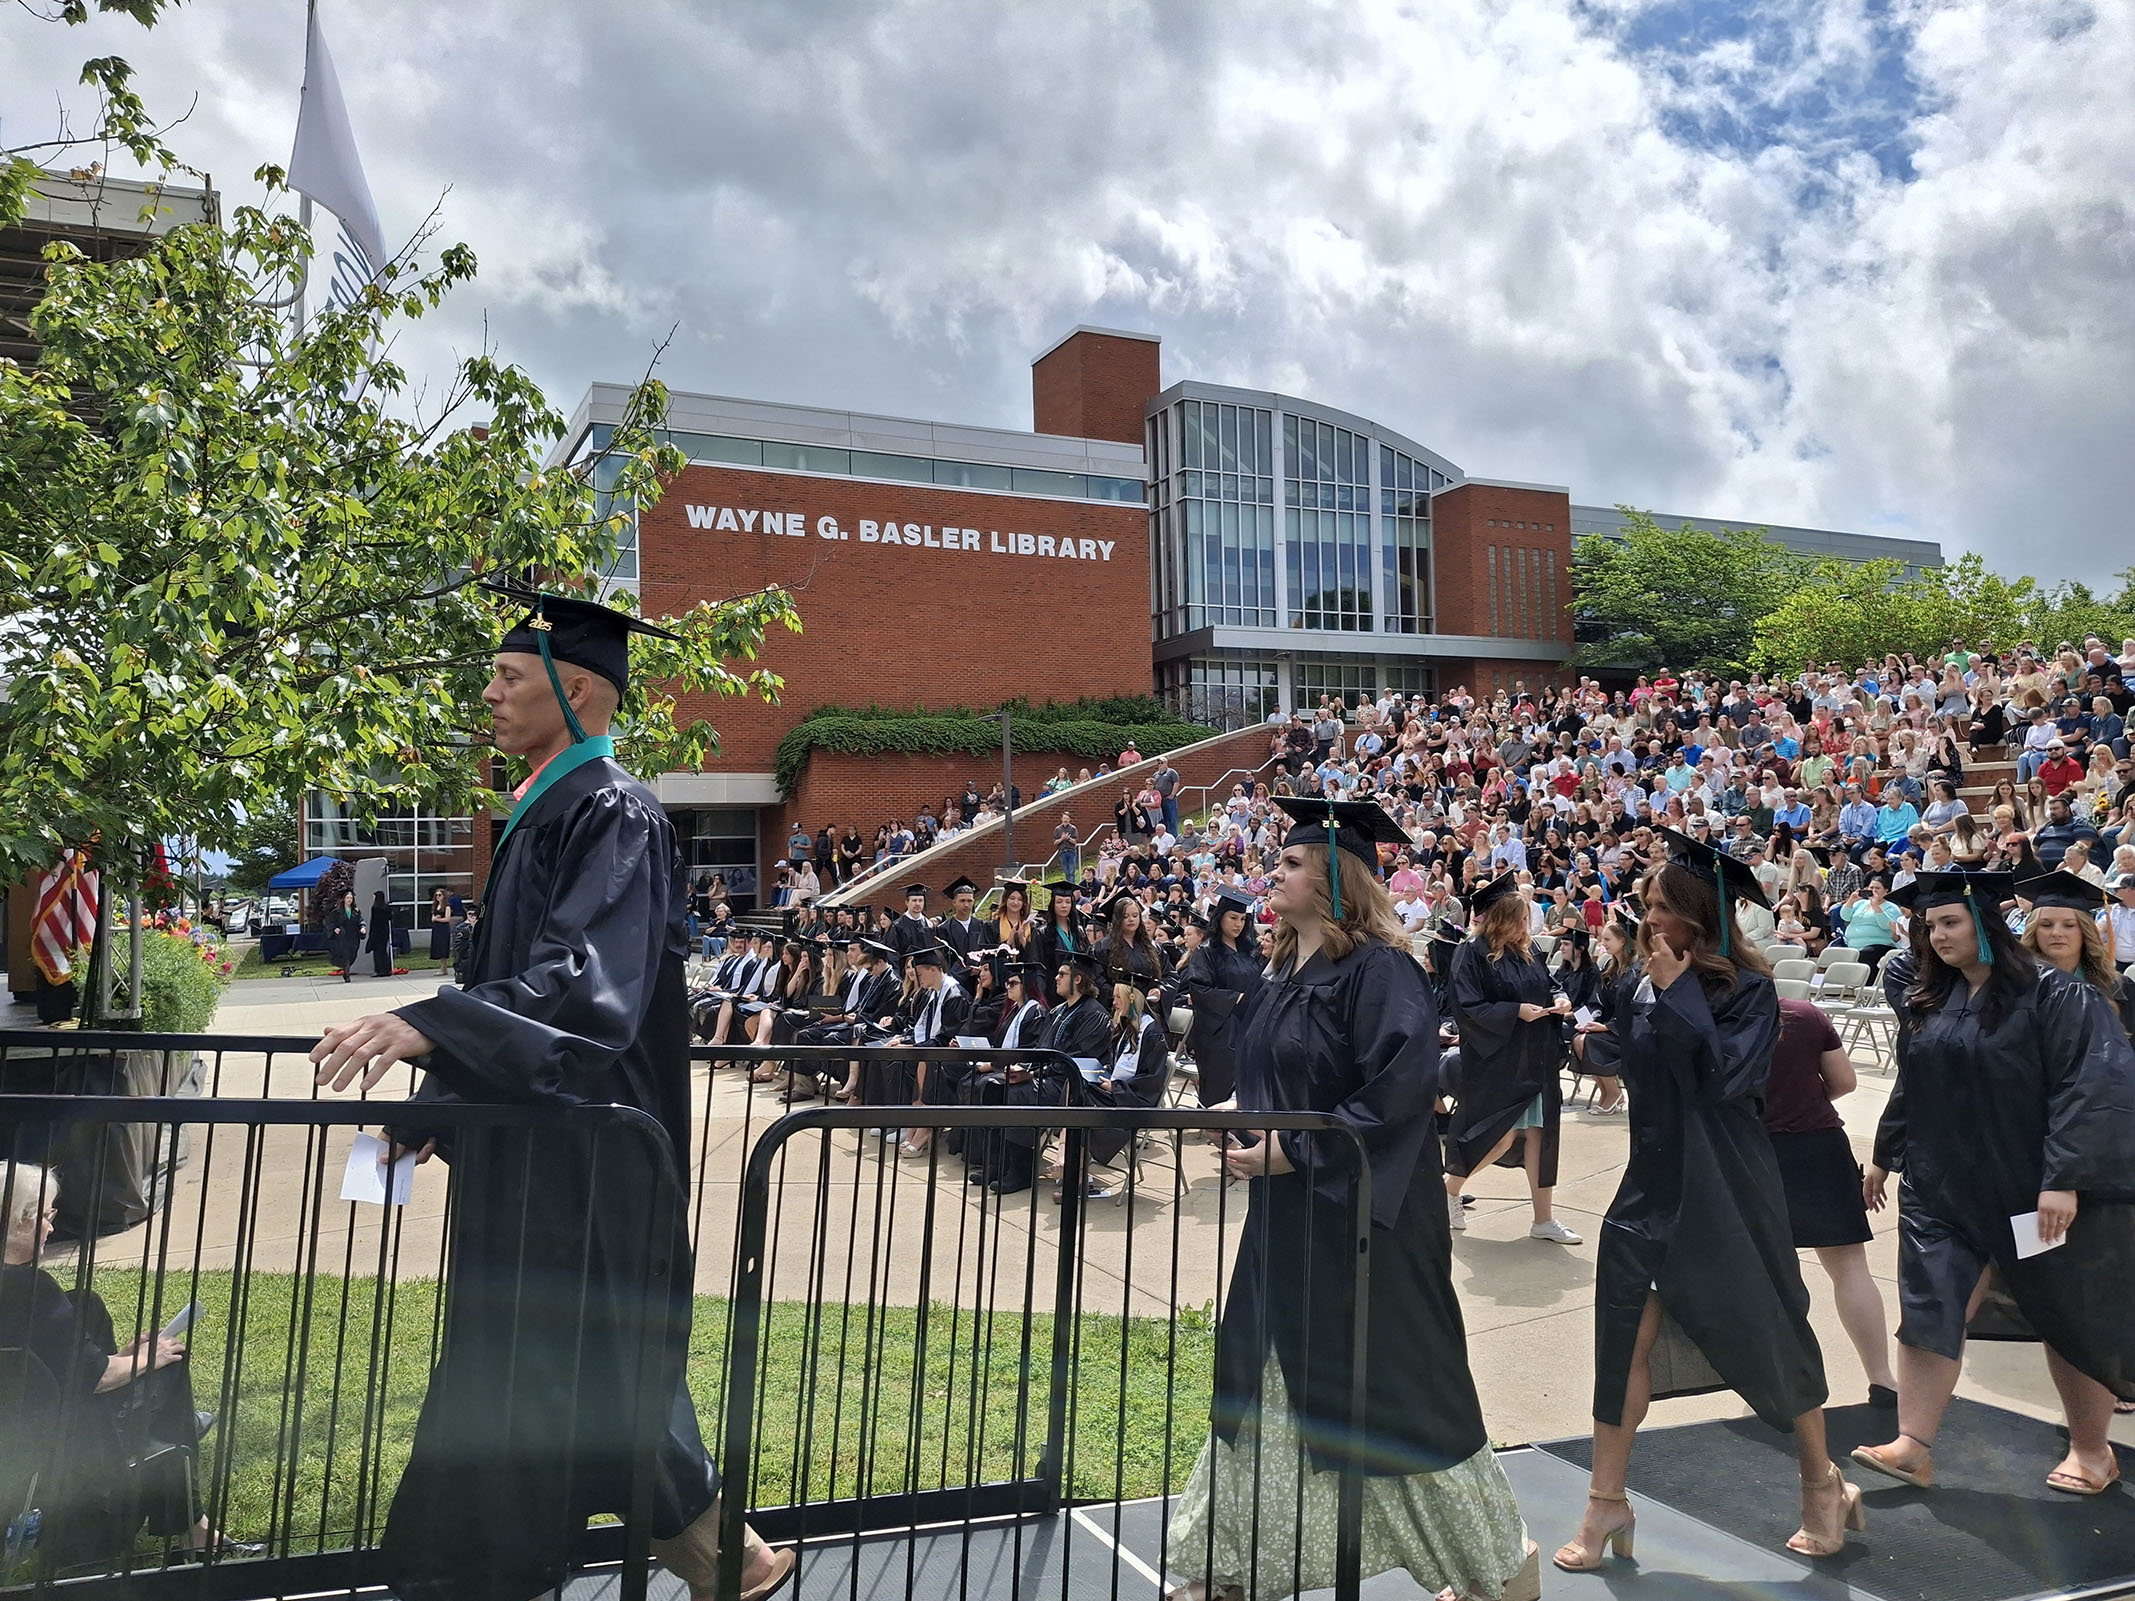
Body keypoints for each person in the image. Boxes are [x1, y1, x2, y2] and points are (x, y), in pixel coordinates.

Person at [308, 585, 791, 1601]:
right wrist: (432, 1112)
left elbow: (585, 990)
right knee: (559, 1367)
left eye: (507, 676)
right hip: (539, 1159)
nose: (487, 693)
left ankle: (652, 1558)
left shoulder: (613, 811)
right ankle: (713, 1554)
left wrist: (431, 1021)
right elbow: (509, 995)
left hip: (589, 1164)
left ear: (577, 690)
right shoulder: (544, 813)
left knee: (567, 1368)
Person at [1170, 796, 1536, 1601]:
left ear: (1337, 880)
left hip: (1366, 1219)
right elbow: (1286, 1077)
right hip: (1289, 1217)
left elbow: (1397, 1089)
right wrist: (1238, 1115)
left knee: (1396, 1389)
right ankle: (1234, 1560)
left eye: (1293, 861)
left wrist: (1293, 1149)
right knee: (1266, 1378)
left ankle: (1499, 1568)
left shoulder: (1382, 970)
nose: (1276, 869)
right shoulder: (1278, 971)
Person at [1556, 828, 1857, 1571]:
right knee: (1620, 1338)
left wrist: (1671, 992)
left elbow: (1727, 1079)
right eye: (1646, 905)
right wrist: (1589, 1039)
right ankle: (1605, 1502)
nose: (1647, 919)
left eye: (1662, 908)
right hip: (1651, 1183)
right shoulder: (1638, 981)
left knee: (1770, 1329)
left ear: (1700, 919)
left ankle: (1821, 1481)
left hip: (1726, 1186)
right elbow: (1624, 1058)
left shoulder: (1751, 995)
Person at [1854, 870, 2135, 1495]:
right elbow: (1913, 1083)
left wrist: (2065, 1178)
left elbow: (2090, 1089)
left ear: (1985, 924)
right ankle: (1913, 1445)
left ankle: (2093, 1452)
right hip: (1943, 1186)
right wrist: (1884, 1153)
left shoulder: (2062, 997)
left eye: (1950, 922)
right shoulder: (1934, 999)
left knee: (2066, 1315)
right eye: (1930, 926)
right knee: (1929, 1307)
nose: (1937, 935)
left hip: (2031, 1194)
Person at [1, 1162, 253, 1567]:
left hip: (15, 1423)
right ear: (21, 1221)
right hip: (61, 1440)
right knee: (170, 1364)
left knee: (86, 1303)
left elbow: (61, 1361)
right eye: (47, 1216)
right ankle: (190, 1518)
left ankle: (184, 1486)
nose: (51, 1228)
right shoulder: (32, 1289)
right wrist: (145, 1359)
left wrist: (125, 1359)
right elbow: (97, 1379)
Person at [1761, 997, 1898, 1405]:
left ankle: (1780, 1381)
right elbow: (1844, 1082)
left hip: (1751, 1152)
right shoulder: (1804, 1015)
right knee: (1851, 1269)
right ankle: (1881, 1377)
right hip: (1818, 1145)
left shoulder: (1713, 1016)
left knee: (1766, 1274)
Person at [1440, 871, 1578, 1243]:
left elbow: (1551, 985)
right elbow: (1467, 1006)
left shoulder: (1526, 950)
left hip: (1536, 1057)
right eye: (1519, 918)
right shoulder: (1471, 953)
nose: (1526, 924)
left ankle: (1543, 1220)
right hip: (1498, 1062)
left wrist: (1561, 1000)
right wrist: (1515, 1010)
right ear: (1501, 918)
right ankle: (1448, 1189)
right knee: (1498, 1137)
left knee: (1540, 1135)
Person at [2017, 869, 2135, 1038]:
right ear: (2033, 931)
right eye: (2046, 925)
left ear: (2084, 931)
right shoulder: (2016, 986)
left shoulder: (2118, 988)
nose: (2056, 933)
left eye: (2069, 925)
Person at [1179, 891, 1263, 1108]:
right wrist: (1235, 998)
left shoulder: (1249, 951)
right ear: (1221, 917)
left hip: (1248, 1025)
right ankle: (1217, 1130)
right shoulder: (1207, 952)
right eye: (1233, 918)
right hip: (1219, 1032)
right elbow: (1198, 989)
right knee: (1220, 1087)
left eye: (1242, 919)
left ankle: (1242, 1134)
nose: (1238, 924)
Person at [326, 889, 364, 982]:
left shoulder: (356, 911)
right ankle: (347, 976)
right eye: (347, 898)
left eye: (351, 898)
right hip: (343, 936)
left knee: (352, 955)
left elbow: (360, 921)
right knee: (345, 955)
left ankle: (346, 969)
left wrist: (362, 927)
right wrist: (335, 928)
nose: (349, 900)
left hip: (353, 935)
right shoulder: (337, 912)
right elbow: (330, 922)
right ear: (344, 899)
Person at [364, 888, 395, 977]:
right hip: (384, 931)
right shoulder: (386, 907)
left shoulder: (375, 908)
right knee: (383, 951)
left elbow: (374, 921)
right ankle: (386, 969)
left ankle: (379, 970)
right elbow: (390, 918)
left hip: (377, 931)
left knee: (377, 952)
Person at [427, 887, 454, 974]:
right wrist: (435, 918)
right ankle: (442, 968)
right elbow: (432, 918)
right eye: (436, 895)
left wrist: (437, 919)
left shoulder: (447, 906)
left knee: (443, 947)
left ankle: (444, 968)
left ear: (444, 896)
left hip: (443, 929)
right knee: (438, 947)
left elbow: (447, 919)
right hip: (436, 929)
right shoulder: (435, 906)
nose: (438, 897)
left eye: (440, 895)